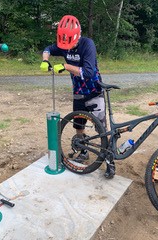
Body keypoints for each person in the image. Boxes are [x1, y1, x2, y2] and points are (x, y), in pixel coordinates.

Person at [40, 15, 115, 179]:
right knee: (78, 126)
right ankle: (83, 152)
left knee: (101, 129)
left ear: (77, 36)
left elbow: (88, 72)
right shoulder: (64, 44)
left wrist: (66, 66)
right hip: (78, 93)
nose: (67, 47)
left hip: (95, 91)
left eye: (70, 42)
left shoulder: (88, 44)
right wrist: (45, 60)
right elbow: (48, 49)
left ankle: (110, 161)